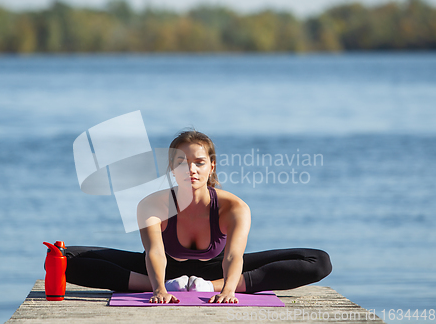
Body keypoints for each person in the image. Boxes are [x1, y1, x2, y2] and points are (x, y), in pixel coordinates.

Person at [65, 130, 332, 304]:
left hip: (217, 271)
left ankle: (207, 286)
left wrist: (226, 289)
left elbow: (233, 256)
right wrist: (159, 288)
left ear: (211, 166)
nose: (190, 169)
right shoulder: (152, 204)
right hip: (162, 270)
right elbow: (155, 252)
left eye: (199, 162)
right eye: (181, 162)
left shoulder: (234, 208)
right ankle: (168, 284)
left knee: (318, 261)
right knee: (63, 259)